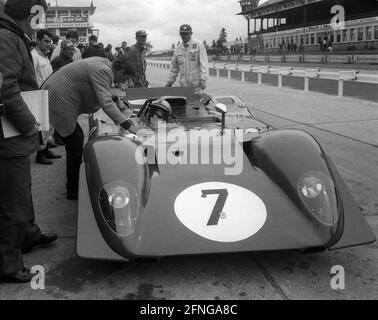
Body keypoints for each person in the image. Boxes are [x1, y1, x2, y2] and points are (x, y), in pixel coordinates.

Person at [0, 0, 57, 284]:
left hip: (14, 136)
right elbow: (5, 90)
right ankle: (8, 264)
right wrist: (30, 125)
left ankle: (28, 236)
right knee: (13, 202)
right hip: (9, 136)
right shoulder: (6, 37)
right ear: (30, 14)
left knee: (22, 194)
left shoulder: (13, 35)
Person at [41, 56, 140, 201]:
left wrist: (120, 103)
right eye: (125, 78)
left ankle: (74, 184)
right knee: (74, 145)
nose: (123, 82)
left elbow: (106, 91)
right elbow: (105, 102)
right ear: (122, 71)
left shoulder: (105, 64)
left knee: (78, 138)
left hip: (57, 93)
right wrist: (128, 125)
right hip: (58, 98)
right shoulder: (103, 70)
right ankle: (73, 190)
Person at [31, 28, 61, 165]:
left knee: (48, 126)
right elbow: (31, 77)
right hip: (38, 95)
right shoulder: (34, 56)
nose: (49, 44)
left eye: (50, 41)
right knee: (41, 127)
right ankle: (40, 154)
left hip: (47, 94)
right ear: (37, 40)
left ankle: (46, 150)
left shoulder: (44, 56)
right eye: (45, 41)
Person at [166, 24, 209, 94]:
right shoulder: (178, 49)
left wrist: (203, 79)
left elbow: (203, 63)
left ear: (191, 33)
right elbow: (174, 69)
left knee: (197, 103)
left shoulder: (198, 45)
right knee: (185, 103)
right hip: (184, 85)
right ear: (180, 34)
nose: (185, 36)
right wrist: (169, 82)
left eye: (187, 33)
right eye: (182, 34)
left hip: (197, 84)